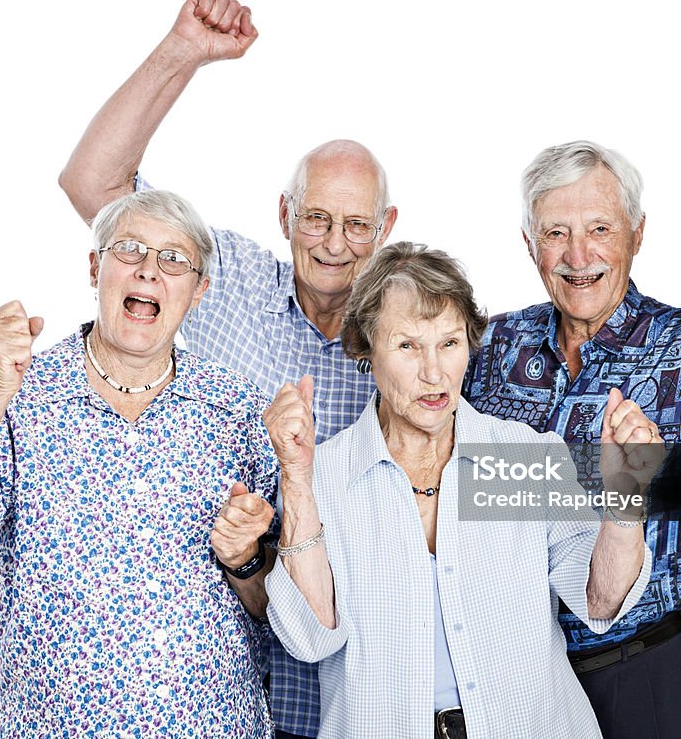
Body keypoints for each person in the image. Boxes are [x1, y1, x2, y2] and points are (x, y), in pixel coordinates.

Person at [58, 0, 397, 738]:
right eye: (315, 219)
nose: (334, 243)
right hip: (214, 688)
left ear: (387, 228)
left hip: (358, 696)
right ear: (285, 216)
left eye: (355, 225)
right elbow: (94, 186)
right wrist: (182, 51)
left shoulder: (409, 341)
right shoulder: (226, 282)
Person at [0, 190, 279, 737]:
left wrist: (245, 558)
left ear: (199, 291)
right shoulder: (11, 393)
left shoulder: (238, 411)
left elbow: (283, 611)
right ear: (95, 268)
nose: (149, 270)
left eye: (174, 260)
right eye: (130, 250)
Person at [464, 140, 681, 738]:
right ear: (529, 244)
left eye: (600, 228)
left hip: (643, 674)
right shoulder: (491, 347)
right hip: (515, 680)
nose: (578, 254)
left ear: (637, 232)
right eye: (556, 232)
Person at [262, 242, 655, 738]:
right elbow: (309, 638)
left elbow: (601, 600)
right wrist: (296, 478)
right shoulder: (325, 477)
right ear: (366, 349)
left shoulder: (522, 456)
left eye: (449, 343)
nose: (434, 372)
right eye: (407, 346)